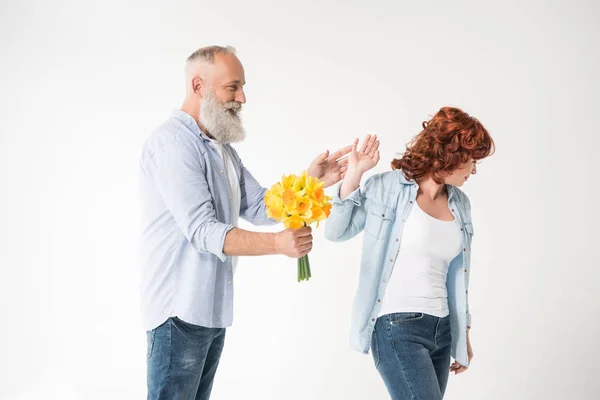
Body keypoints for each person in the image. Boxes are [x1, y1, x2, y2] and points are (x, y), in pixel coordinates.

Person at [139, 45, 352, 400]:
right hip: (178, 314)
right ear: (198, 86)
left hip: (209, 312)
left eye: (242, 87)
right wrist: (277, 244)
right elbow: (203, 231)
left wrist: (310, 183)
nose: (243, 97)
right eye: (232, 87)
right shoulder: (173, 144)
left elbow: (257, 203)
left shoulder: (220, 147)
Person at [325, 107, 495, 399]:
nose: (474, 170)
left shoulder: (460, 204)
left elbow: (457, 274)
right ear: (451, 154)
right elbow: (336, 232)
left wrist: (461, 332)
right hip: (397, 327)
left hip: (442, 330)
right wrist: (354, 175)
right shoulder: (388, 188)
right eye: (471, 160)